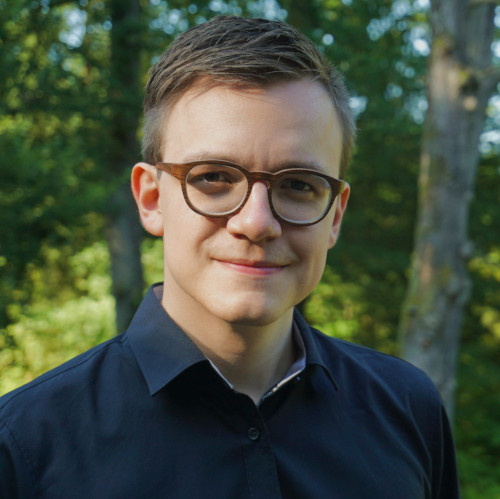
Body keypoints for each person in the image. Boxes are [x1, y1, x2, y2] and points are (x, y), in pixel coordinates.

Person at [0, 16, 459, 498]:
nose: (256, 222)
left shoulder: (410, 410)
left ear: (335, 216)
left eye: (298, 184)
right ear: (151, 199)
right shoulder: (26, 446)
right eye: (213, 177)